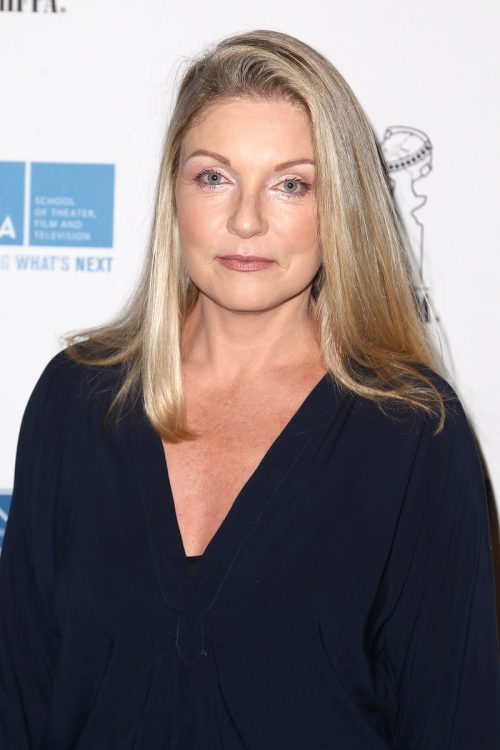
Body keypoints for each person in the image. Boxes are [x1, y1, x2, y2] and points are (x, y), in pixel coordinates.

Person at [1, 28, 499, 749]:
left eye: (291, 184)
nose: (245, 220)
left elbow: (454, 724)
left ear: (341, 208)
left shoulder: (413, 433)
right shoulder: (76, 403)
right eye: (215, 177)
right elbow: (20, 701)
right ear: (174, 192)